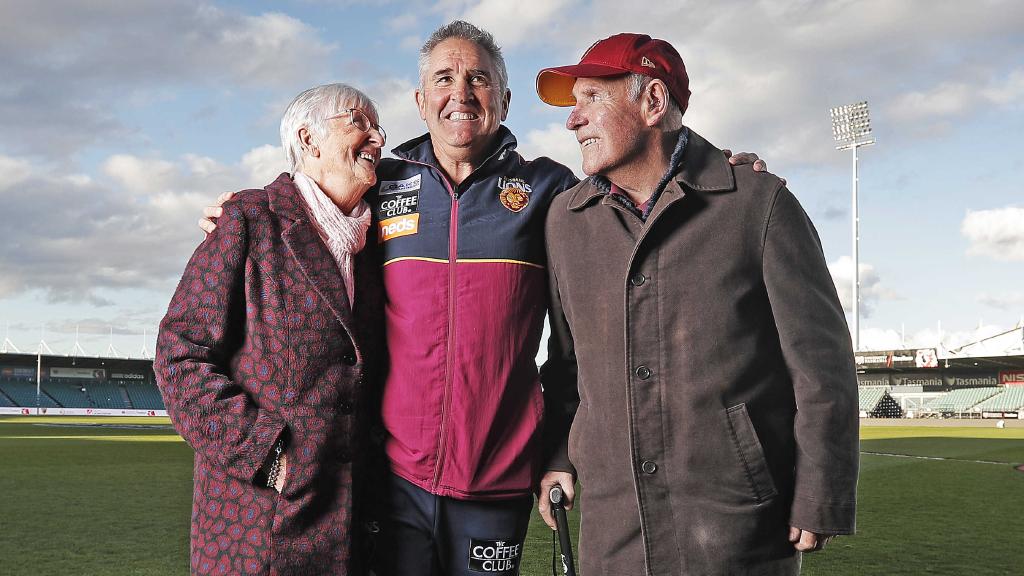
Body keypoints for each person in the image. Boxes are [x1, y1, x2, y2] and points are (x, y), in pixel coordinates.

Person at [198, 22, 772, 576]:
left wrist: (712, 174)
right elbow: (314, 196)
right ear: (421, 100)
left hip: (499, 479)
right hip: (394, 476)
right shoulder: (382, 183)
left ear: (505, 98)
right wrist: (247, 214)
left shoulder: (552, 191)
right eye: (444, 79)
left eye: (478, 78)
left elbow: (641, 191)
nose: (460, 93)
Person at [536, 33, 859, 575]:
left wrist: (822, 489)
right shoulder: (564, 221)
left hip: (736, 523)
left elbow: (822, 365)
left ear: (653, 102)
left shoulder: (758, 202)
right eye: (574, 103)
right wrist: (559, 456)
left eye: (592, 97)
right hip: (613, 530)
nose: (574, 119)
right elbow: (568, 365)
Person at [155, 83, 387, 575]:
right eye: (360, 121)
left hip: (348, 528)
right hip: (255, 525)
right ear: (309, 139)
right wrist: (268, 455)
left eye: (378, 125)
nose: (379, 137)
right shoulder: (249, 218)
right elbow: (180, 355)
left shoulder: (374, 241)